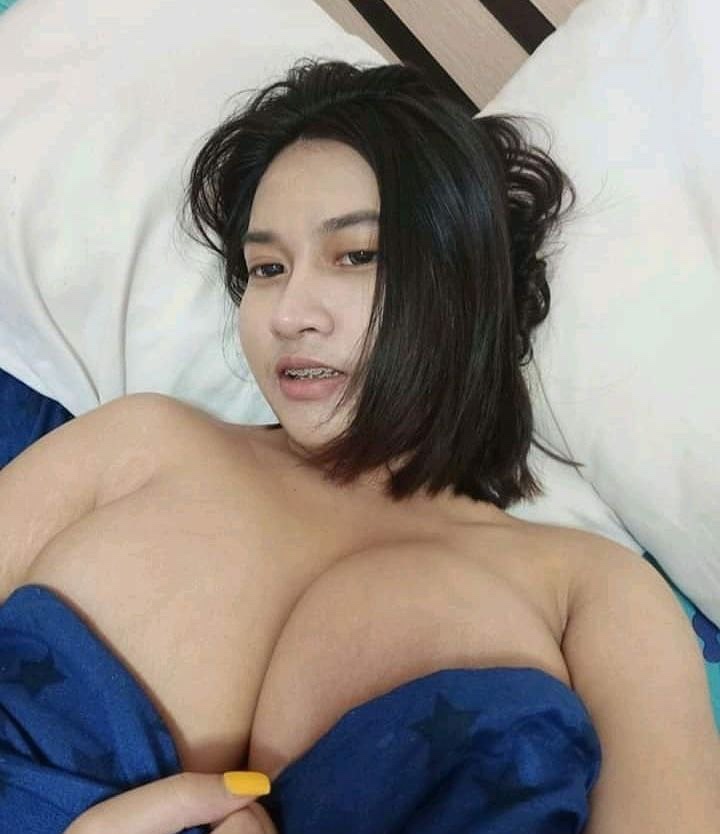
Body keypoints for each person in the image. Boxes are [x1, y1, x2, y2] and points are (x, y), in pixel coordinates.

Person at [0, 59, 717, 834]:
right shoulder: (136, 445)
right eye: (266, 268)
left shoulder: (591, 590)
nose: (289, 313)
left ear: (465, 279)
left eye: (356, 255)